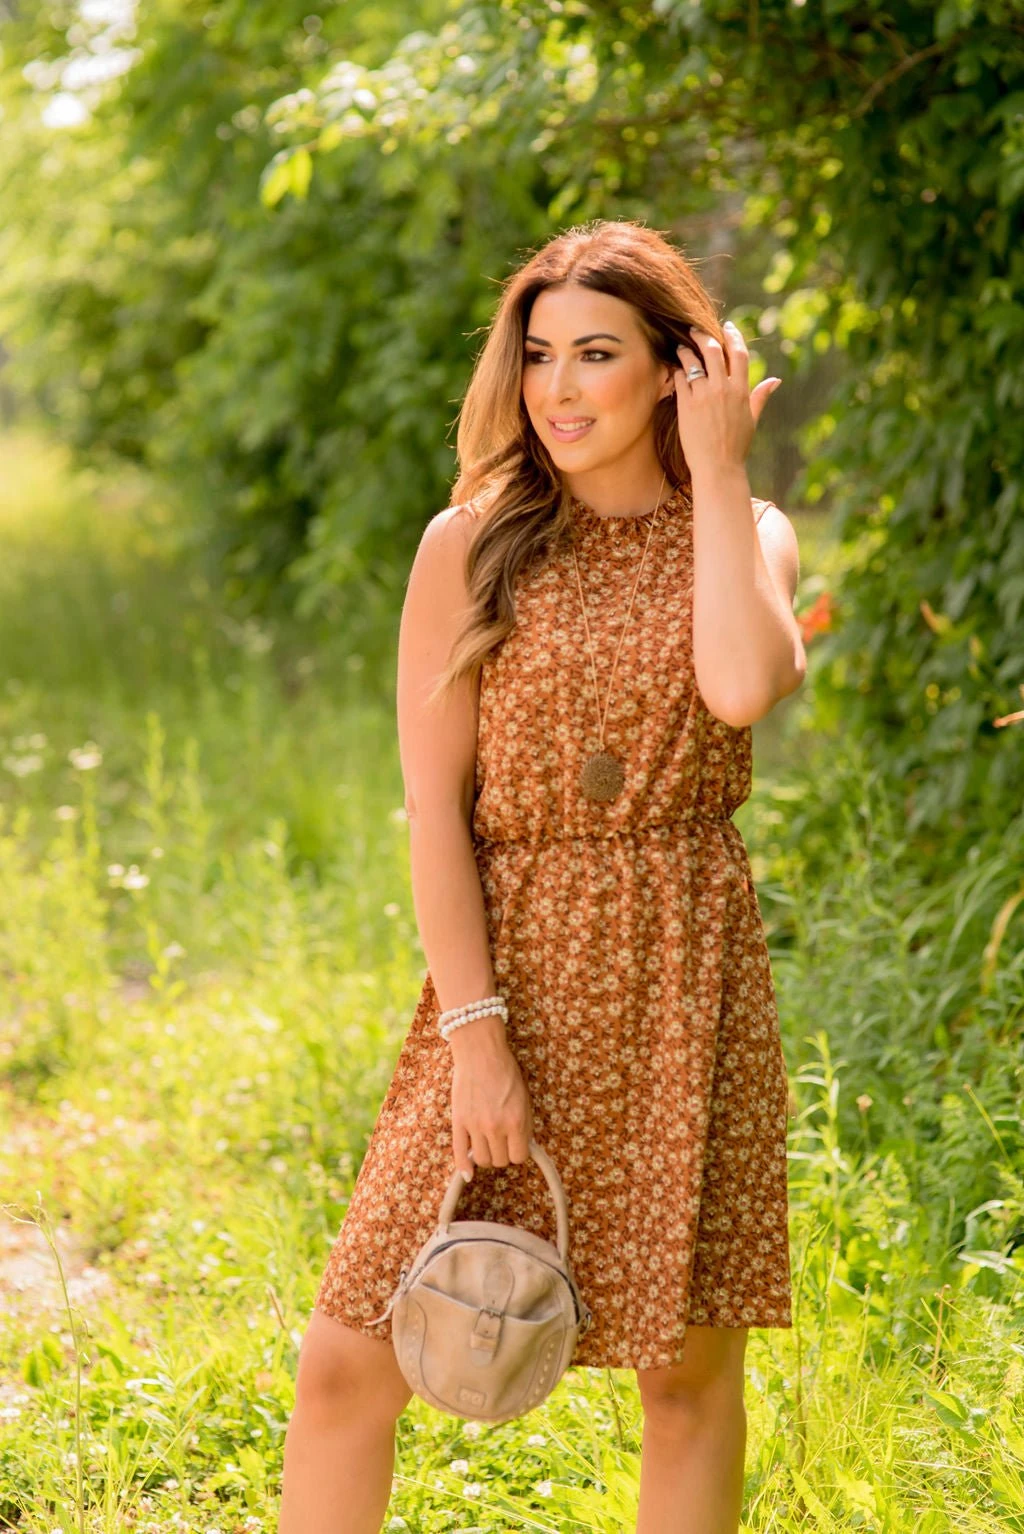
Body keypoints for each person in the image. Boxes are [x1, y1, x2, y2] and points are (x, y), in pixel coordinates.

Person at [279, 218, 806, 1534]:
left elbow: (744, 685)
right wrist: (477, 1039)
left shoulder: (747, 531)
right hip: (508, 968)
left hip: (684, 974)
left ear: (677, 368)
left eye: (597, 354)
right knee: (350, 1356)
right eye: (538, 355)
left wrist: (720, 468)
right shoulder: (470, 543)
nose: (560, 388)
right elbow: (435, 812)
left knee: (686, 1381)